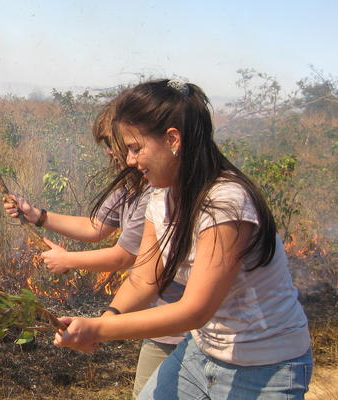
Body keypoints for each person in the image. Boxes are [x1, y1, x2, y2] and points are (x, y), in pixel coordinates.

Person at [53, 79, 312, 399]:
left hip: (266, 366)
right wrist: (108, 317)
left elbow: (195, 310)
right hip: (201, 352)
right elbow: (144, 279)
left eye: (136, 148)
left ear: (173, 139)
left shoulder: (226, 202)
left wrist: (99, 330)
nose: (130, 161)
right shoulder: (160, 198)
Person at [3, 100, 185, 397]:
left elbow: (127, 256)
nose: (114, 154)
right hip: (164, 321)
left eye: (121, 145)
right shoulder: (131, 182)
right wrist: (38, 216)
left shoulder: (158, 189)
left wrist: (68, 260)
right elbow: (95, 227)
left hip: (186, 324)